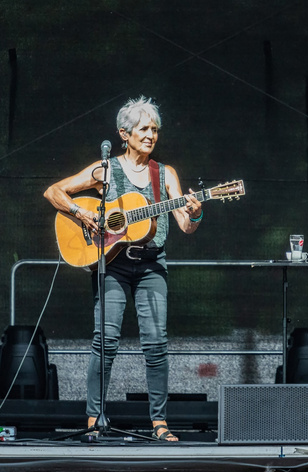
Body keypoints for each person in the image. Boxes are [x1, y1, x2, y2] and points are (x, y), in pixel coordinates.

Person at [44, 96, 204, 441]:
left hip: (151, 266)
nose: (151, 135)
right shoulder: (106, 169)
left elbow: (186, 226)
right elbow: (54, 192)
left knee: (156, 343)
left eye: (155, 130)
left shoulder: (165, 174)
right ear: (124, 133)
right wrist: (82, 213)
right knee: (105, 341)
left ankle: (159, 423)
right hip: (113, 265)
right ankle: (93, 419)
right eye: (144, 129)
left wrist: (195, 211)